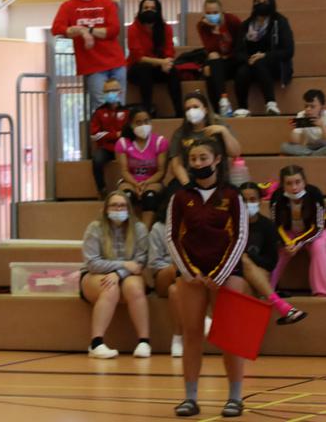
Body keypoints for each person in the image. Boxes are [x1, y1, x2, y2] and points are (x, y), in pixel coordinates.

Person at [166, 138, 249, 417]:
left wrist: (219, 274)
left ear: (216, 160)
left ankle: (235, 398)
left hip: (227, 274)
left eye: (204, 158)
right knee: (191, 334)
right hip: (191, 276)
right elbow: (171, 237)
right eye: (194, 159)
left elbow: (240, 238)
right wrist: (190, 273)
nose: (198, 163)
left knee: (230, 337)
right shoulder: (180, 197)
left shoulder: (233, 195)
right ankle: (190, 398)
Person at [80, 191, 150, 359]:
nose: (118, 209)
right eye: (114, 205)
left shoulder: (139, 228)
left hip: (127, 276)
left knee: (134, 287)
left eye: (122, 205)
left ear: (129, 208)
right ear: (106, 209)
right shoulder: (95, 228)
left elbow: (140, 262)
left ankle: (144, 342)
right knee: (110, 288)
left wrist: (119, 273)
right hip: (95, 275)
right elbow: (92, 263)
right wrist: (123, 265)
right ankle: (96, 344)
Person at [51, 0, 124, 112]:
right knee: (100, 106)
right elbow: (57, 29)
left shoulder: (107, 3)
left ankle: (120, 134)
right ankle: (103, 134)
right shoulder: (68, 6)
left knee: (120, 104)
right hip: (92, 66)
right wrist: (83, 31)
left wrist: (87, 30)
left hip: (116, 62)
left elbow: (112, 31)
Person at [238, 182, 307, 323]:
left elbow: (270, 263)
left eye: (252, 200)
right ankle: (283, 307)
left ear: (259, 201)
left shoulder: (267, 226)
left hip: (259, 273)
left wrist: (251, 258)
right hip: (234, 272)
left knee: (246, 282)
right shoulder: (231, 224)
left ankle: (245, 337)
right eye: (244, 200)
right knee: (242, 262)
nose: (248, 204)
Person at [234, 0, 295, 117]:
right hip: (251, 63)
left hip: (275, 65)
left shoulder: (280, 22)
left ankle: (271, 104)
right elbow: (238, 51)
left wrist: (265, 55)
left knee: (260, 62)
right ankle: (243, 108)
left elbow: (288, 51)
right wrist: (248, 59)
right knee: (241, 72)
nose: (261, 4)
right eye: (258, 1)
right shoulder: (246, 25)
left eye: (265, 2)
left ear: (271, 3)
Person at [268, 165, 326, 297]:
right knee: (281, 251)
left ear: (304, 182)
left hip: (313, 232)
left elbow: (318, 227)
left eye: (298, 182)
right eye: (289, 183)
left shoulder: (314, 194)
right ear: (283, 185)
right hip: (289, 233)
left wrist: (298, 242)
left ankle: (321, 292)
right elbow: (276, 226)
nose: (294, 187)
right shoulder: (277, 198)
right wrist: (286, 243)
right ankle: (268, 290)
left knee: (319, 247)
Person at [168, 91, 241, 190]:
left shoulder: (220, 127)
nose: (191, 111)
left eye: (195, 107)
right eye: (187, 109)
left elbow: (235, 153)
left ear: (205, 109)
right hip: (190, 180)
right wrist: (188, 185)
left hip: (218, 180)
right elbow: (176, 165)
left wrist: (224, 132)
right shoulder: (180, 133)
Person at [126, 0, 182, 117]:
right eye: (145, 8)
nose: (149, 10)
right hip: (137, 69)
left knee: (172, 71)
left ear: (158, 11)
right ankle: (147, 112)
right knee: (144, 69)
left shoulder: (166, 28)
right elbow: (138, 57)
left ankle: (180, 113)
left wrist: (167, 62)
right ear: (140, 10)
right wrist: (161, 62)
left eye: (152, 8)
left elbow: (169, 50)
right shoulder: (133, 29)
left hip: (158, 68)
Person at [115, 105, 168, 228]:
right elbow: (124, 170)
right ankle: (126, 231)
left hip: (153, 180)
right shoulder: (123, 143)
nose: (143, 125)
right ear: (131, 124)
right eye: (138, 122)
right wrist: (136, 184)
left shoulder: (160, 142)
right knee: (126, 196)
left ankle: (143, 234)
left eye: (146, 121)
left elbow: (161, 172)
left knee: (150, 197)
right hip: (130, 180)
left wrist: (145, 183)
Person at [197, 0, 243, 113]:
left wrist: (221, 30)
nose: (212, 15)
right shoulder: (202, 25)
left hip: (235, 58)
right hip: (218, 61)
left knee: (211, 66)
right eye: (208, 13)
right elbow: (210, 49)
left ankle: (221, 106)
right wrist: (214, 29)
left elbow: (240, 44)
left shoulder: (232, 20)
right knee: (209, 68)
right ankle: (222, 104)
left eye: (215, 12)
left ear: (222, 11)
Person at [147, 208, 183, 357]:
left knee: (175, 291)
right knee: (178, 268)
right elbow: (154, 263)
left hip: (186, 280)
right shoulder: (159, 228)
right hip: (164, 276)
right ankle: (205, 321)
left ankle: (177, 338)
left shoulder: (196, 226)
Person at [89, 79, 128, 199]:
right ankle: (102, 190)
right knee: (97, 159)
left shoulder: (127, 111)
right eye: (107, 91)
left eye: (113, 90)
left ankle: (127, 188)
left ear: (120, 92)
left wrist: (118, 136)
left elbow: (128, 133)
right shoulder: (99, 112)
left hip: (123, 147)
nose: (110, 93)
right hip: (106, 148)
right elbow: (94, 134)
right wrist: (115, 135)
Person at [281, 89, 326, 156]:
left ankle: (308, 155)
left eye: (312, 106)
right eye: (306, 106)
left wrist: (322, 126)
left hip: (323, 145)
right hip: (309, 147)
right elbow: (296, 142)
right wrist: (294, 129)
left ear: (322, 107)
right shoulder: (301, 115)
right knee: (284, 146)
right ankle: (313, 155)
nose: (308, 109)